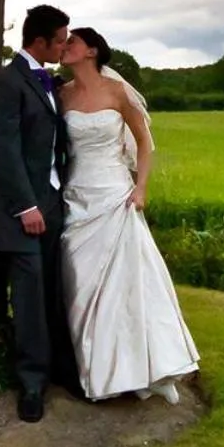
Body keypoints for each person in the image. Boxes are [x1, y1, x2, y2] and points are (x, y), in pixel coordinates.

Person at [58, 26, 199, 403]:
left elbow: (144, 142)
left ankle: (149, 368)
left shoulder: (117, 93)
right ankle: (101, 371)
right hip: (78, 197)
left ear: (91, 51)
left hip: (116, 196)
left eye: (72, 42)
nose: (65, 46)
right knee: (83, 287)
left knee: (132, 283)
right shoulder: (61, 95)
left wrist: (141, 187)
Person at [0, 4, 79, 422]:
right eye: (60, 40)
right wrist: (26, 206)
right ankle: (32, 383)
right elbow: (2, 150)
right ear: (38, 42)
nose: (65, 45)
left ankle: (60, 370)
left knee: (55, 289)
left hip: (53, 203)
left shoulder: (49, 83)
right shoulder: (6, 83)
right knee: (29, 297)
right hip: (22, 212)